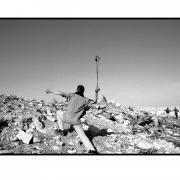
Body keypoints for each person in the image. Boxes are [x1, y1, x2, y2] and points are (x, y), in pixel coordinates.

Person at [46, 85, 100, 154]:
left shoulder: (71, 95)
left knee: (58, 112)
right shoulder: (85, 100)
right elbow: (95, 101)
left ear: (77, 90)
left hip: (66, 118)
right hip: (76, 122)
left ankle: (61, 130)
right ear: (83, 91)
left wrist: (50, 91)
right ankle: (92, 150)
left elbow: (60, 93)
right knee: (83, 137)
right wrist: (96, 92)